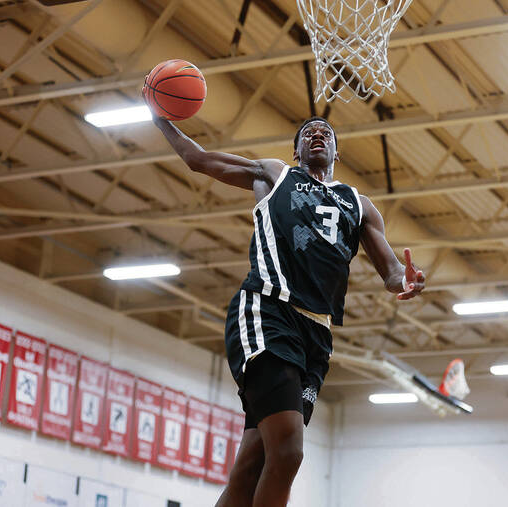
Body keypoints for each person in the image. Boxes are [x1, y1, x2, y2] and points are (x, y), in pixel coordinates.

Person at [149, 110, 425, 507]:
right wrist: (160, 118)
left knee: (253, 466)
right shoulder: (275, 175)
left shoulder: (359, 205)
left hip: (316, 335)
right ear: (296, 150)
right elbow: (199, 159)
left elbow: (391, 271)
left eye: (326, 133)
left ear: (336, 153)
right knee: (289, 452)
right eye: (308, 133)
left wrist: (409, 280)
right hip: (267, 310)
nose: (317, 135)